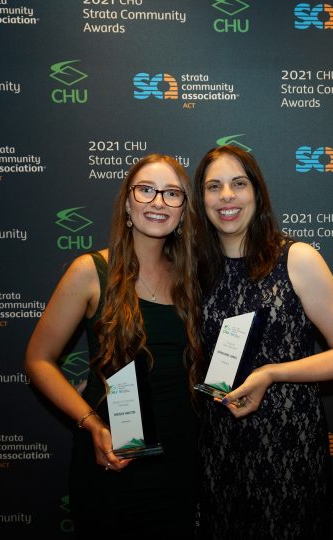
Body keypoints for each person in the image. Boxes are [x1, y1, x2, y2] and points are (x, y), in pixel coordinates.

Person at [191, 145, 333, 539]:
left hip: (287, 449)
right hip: (219, 449)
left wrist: (271, 373)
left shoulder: (296, 258)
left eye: (238, 184)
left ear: (257, 192)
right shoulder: (195, 269)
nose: (226, 196)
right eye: (213, 186)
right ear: (201, 198)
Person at [24, 154, 202, 538]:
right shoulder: (90, 271)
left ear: (185, 210)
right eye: (146, 190)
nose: (158, 202)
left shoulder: (193, 280)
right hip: (115, 461)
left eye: (172, 194)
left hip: (184, 462)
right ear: (127, 202)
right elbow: (38, 360)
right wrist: (91, 425)